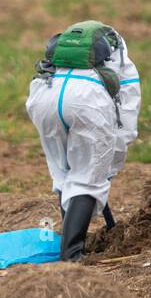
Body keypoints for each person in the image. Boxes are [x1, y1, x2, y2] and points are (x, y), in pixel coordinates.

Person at [26, 20, 140, 261]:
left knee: (64, 173)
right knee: (88, 179)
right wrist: (108, 166)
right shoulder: (121, 55)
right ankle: (72, 257)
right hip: (87, 102)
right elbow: (127, 114)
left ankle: (70, 247)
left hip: (44, 95)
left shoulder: (65, 55)